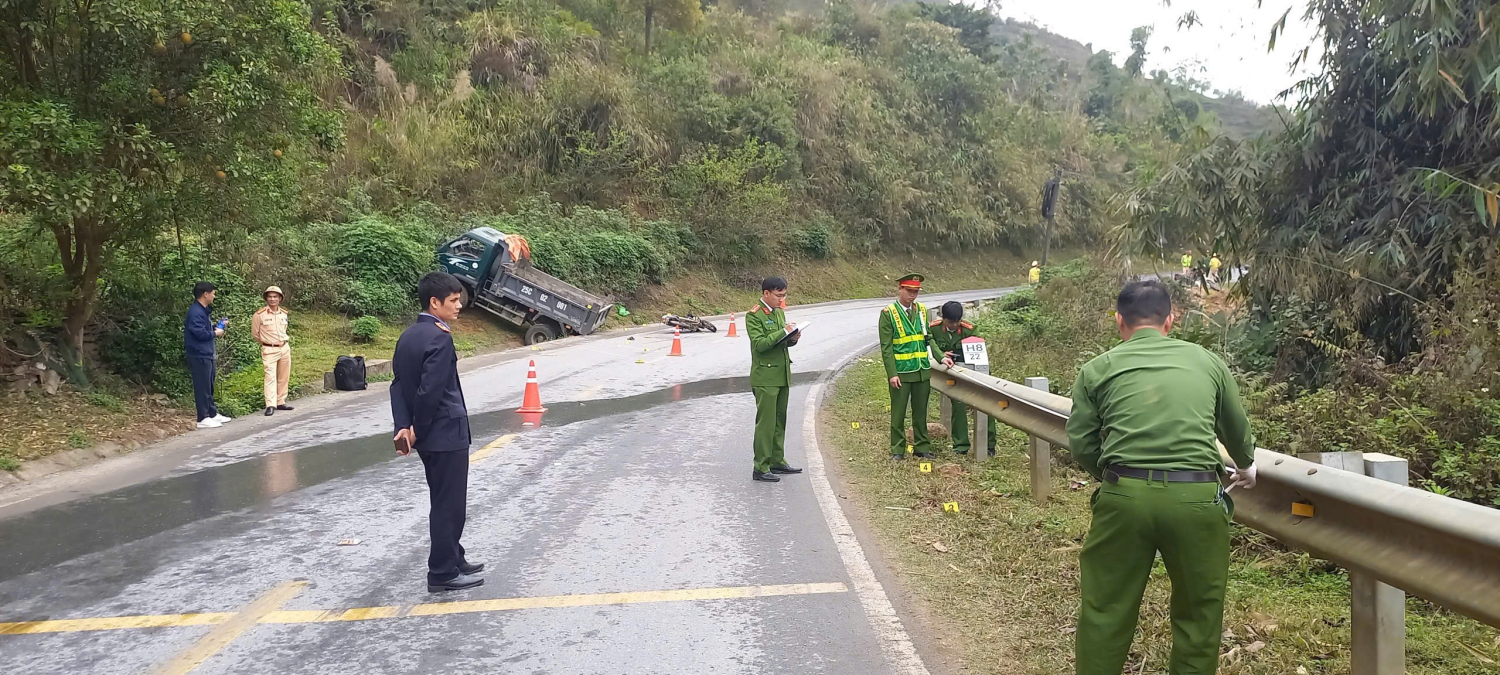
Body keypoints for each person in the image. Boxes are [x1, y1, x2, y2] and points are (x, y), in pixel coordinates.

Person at [1066, 279, 1258, 675]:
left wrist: (1116, 479)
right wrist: (1246, 463)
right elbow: (1235, 431)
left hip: (1125, 498)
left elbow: (1082, 443)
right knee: (1199, 614)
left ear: (1120, 321)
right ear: (1171, 320)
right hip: (1197, 499)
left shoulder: (1098, 368)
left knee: (1105, 609)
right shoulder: (1207, 362)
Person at [391, 272, 484, 593]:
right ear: (435, 302)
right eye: (454, 301)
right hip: (444, 433)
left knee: (441, 498)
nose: (459, 306)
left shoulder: (409, 335)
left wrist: (403, 426)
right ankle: (442, 572)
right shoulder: (439, 337)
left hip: (430, 437)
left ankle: (454, 556)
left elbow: (398, 387)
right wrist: (417, 428)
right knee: (450, 504)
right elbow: (430, 393)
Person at [746, 276, 802, 483]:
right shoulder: (754, 316)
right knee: (766, 424)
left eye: (784, 295)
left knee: (780, 421)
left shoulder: (779, 313)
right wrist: (783, 331)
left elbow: (780, 343)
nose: (782, 299)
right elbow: (760, 344)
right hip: (765, 376)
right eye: (778, 295)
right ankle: (760, 466)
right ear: (766, 293)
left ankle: (777, 460)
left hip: (781, 374)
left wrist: (792, 338)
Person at [928, 301, 996, 455]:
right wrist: (942, 355)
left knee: (986, 405)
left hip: (973, 371)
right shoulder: (934, 329)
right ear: (943, 318)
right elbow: (931, 346)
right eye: (951, 322)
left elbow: (978, 354)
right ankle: (961, 446)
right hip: (953, 373)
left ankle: (989, 445)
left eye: (957, 321)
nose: (954, 325)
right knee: (958, 406)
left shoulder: (970, 329)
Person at [880, 273, 933, 458]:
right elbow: (886, 347)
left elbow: (928, 338)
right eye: (909, 291)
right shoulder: (888, 313)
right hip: (901, 372)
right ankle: (897, 449)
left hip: (921, 370)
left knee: (921, 413)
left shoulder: (922, 310)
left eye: (916, 292)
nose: (913, 295)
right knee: (898, 413)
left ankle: (922, 448)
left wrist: (942, 357)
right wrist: (891, 373)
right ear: (900, 289)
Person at [184, 282, 231, 429]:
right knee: (202, 385)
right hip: (199, 353)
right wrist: (215, 333)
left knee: (209, 384)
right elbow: (198, 332)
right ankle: (202, 417)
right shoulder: (195, 312)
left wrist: (215, 327)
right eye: (213, 293)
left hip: (207, 353)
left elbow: (204, 328)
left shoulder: (203, 310)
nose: (214, 296)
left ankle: (212, 413)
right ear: (205, 294)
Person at [252, 286, 295, 417]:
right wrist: (267, 343)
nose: (272, 299)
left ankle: (280, 401)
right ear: (266, 298)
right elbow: (255, 334)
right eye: (270, 296)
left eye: (275, 296)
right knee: (270, 377)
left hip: (284, 347)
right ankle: (270, 404)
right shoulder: (259, 315)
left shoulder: (284, 313)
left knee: (284, 376)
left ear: (280, 298)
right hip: (269, 348)